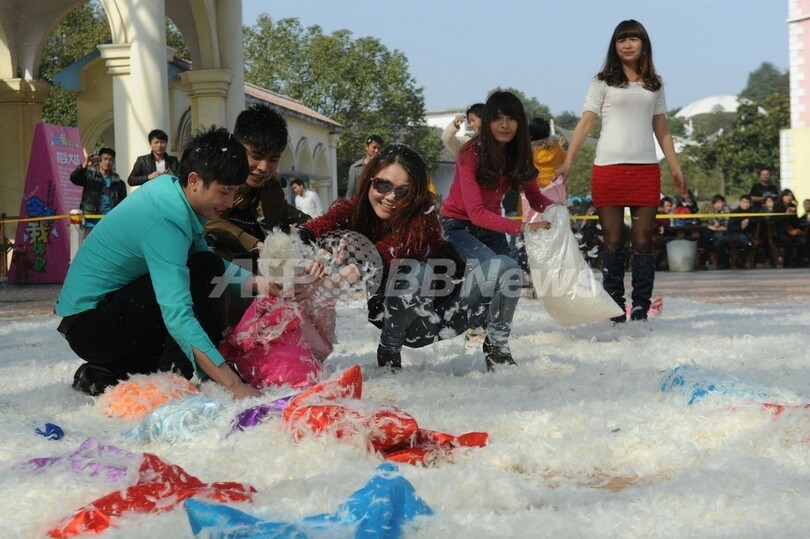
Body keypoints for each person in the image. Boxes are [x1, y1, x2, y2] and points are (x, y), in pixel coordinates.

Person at [55, 126, 265, 399]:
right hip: (92, 326)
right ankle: (172, 380)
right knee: (202, 273)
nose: (230, 202)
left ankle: (106, 373)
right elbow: (178, 313)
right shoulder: (166, 219)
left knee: (205, 266)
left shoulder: (173, 193)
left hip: (99, 320)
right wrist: (234, 386)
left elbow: (205, 257)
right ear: (194, 180)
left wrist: (262, 284)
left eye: (235, 192)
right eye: (224, 192)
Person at [301, 143, 528, 372]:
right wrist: (309, 253)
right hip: (402, 322)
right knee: (418, 272)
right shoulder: (354, 210)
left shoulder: (424, 218)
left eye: (403, 192)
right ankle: (389, 350)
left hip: (451, 312)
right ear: (370, 180)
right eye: (383, 185)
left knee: (507, 267)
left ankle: (497, 348)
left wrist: (341, 276)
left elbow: (392, 250)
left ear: (415, 194)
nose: (391, 197)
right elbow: (316, 228)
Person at [555, 19, 686, 322]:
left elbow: (662, 128)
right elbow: (585, 124)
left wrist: (675, 166)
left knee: (642, 240)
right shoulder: (602, 81)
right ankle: (614, 307)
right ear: (614, 46)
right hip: (608, 169)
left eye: (633, 39)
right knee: (612, 239)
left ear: (643, 44)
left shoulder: (655, 84)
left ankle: (640, 307)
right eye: (621, 40)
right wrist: (568, 161)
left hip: (645, 171)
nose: (627, 45)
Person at [440, 91, 553, 367]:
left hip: (489, 226)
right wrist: (524, 227)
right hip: (457, 225)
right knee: (496, 270)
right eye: (498, 118)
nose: (505, 124)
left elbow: (536, 197)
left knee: (511, 274)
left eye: (512, 118)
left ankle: (497, 345)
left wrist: (558, 211)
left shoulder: (519, 155)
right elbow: (476, 213)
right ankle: (466, 322)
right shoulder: (470, 153)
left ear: (520, 123)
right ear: (488, 121)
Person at [205, 104, 311, 265]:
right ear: (236, 148)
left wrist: (322, 234)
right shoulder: (209, 180)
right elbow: (204, 220)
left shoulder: (270, 189)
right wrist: (255, 244)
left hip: (259, 274)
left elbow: (292, 218)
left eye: (273, 159)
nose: (264, 167)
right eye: (256, 156)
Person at [69, 147, 127, 236]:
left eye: (110, 160)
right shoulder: (90, 176)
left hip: (110, 221)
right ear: (99, 160)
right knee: (90, 243)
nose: (107, 162)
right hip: (91, 222)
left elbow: (123, 204)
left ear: (113, 162)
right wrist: (85, 165)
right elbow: (74, 178)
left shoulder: (119, 183)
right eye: (105, 159)